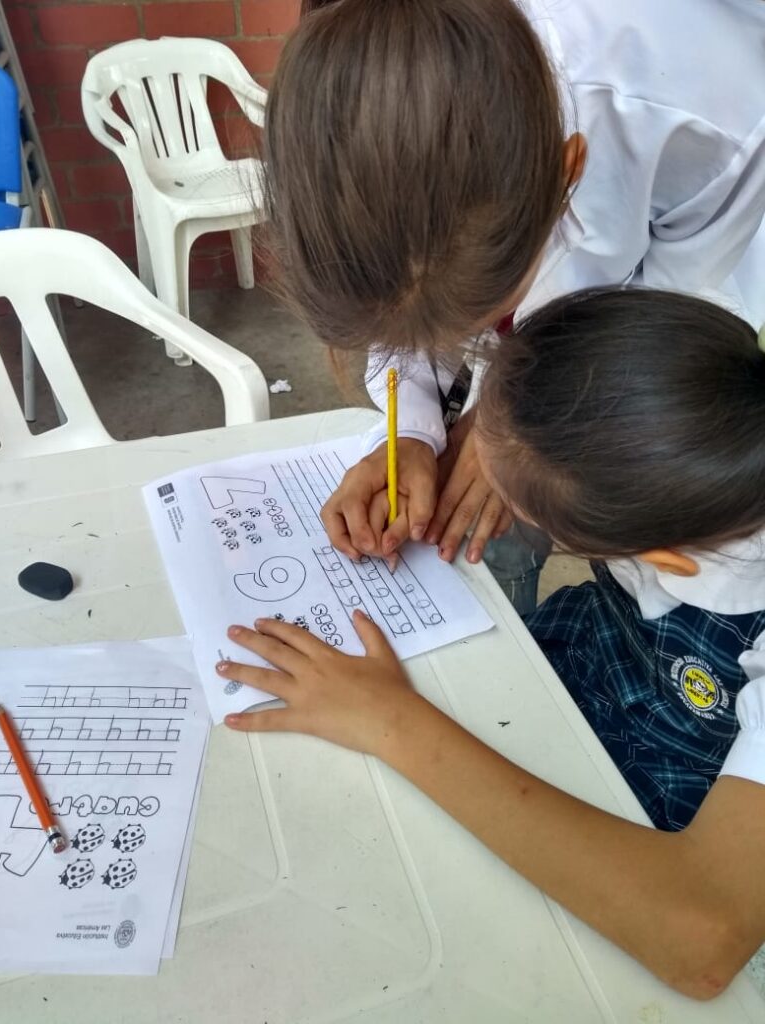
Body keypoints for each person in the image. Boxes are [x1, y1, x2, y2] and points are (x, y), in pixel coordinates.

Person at [216, 289, 765, 998]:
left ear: (659, 556)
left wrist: (388, 720)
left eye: (519, 508)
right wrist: (410, 443)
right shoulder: (697, 436)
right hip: (587, 670)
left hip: (673, 821)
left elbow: (702, 939)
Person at [262, 0, 765, 613]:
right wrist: (410, 431)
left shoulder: (720, 112)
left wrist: (504, 429)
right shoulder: (363, 95)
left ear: (565, 177)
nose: (462, 347)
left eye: (478, 320)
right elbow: (408, 288)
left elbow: (662, 324)